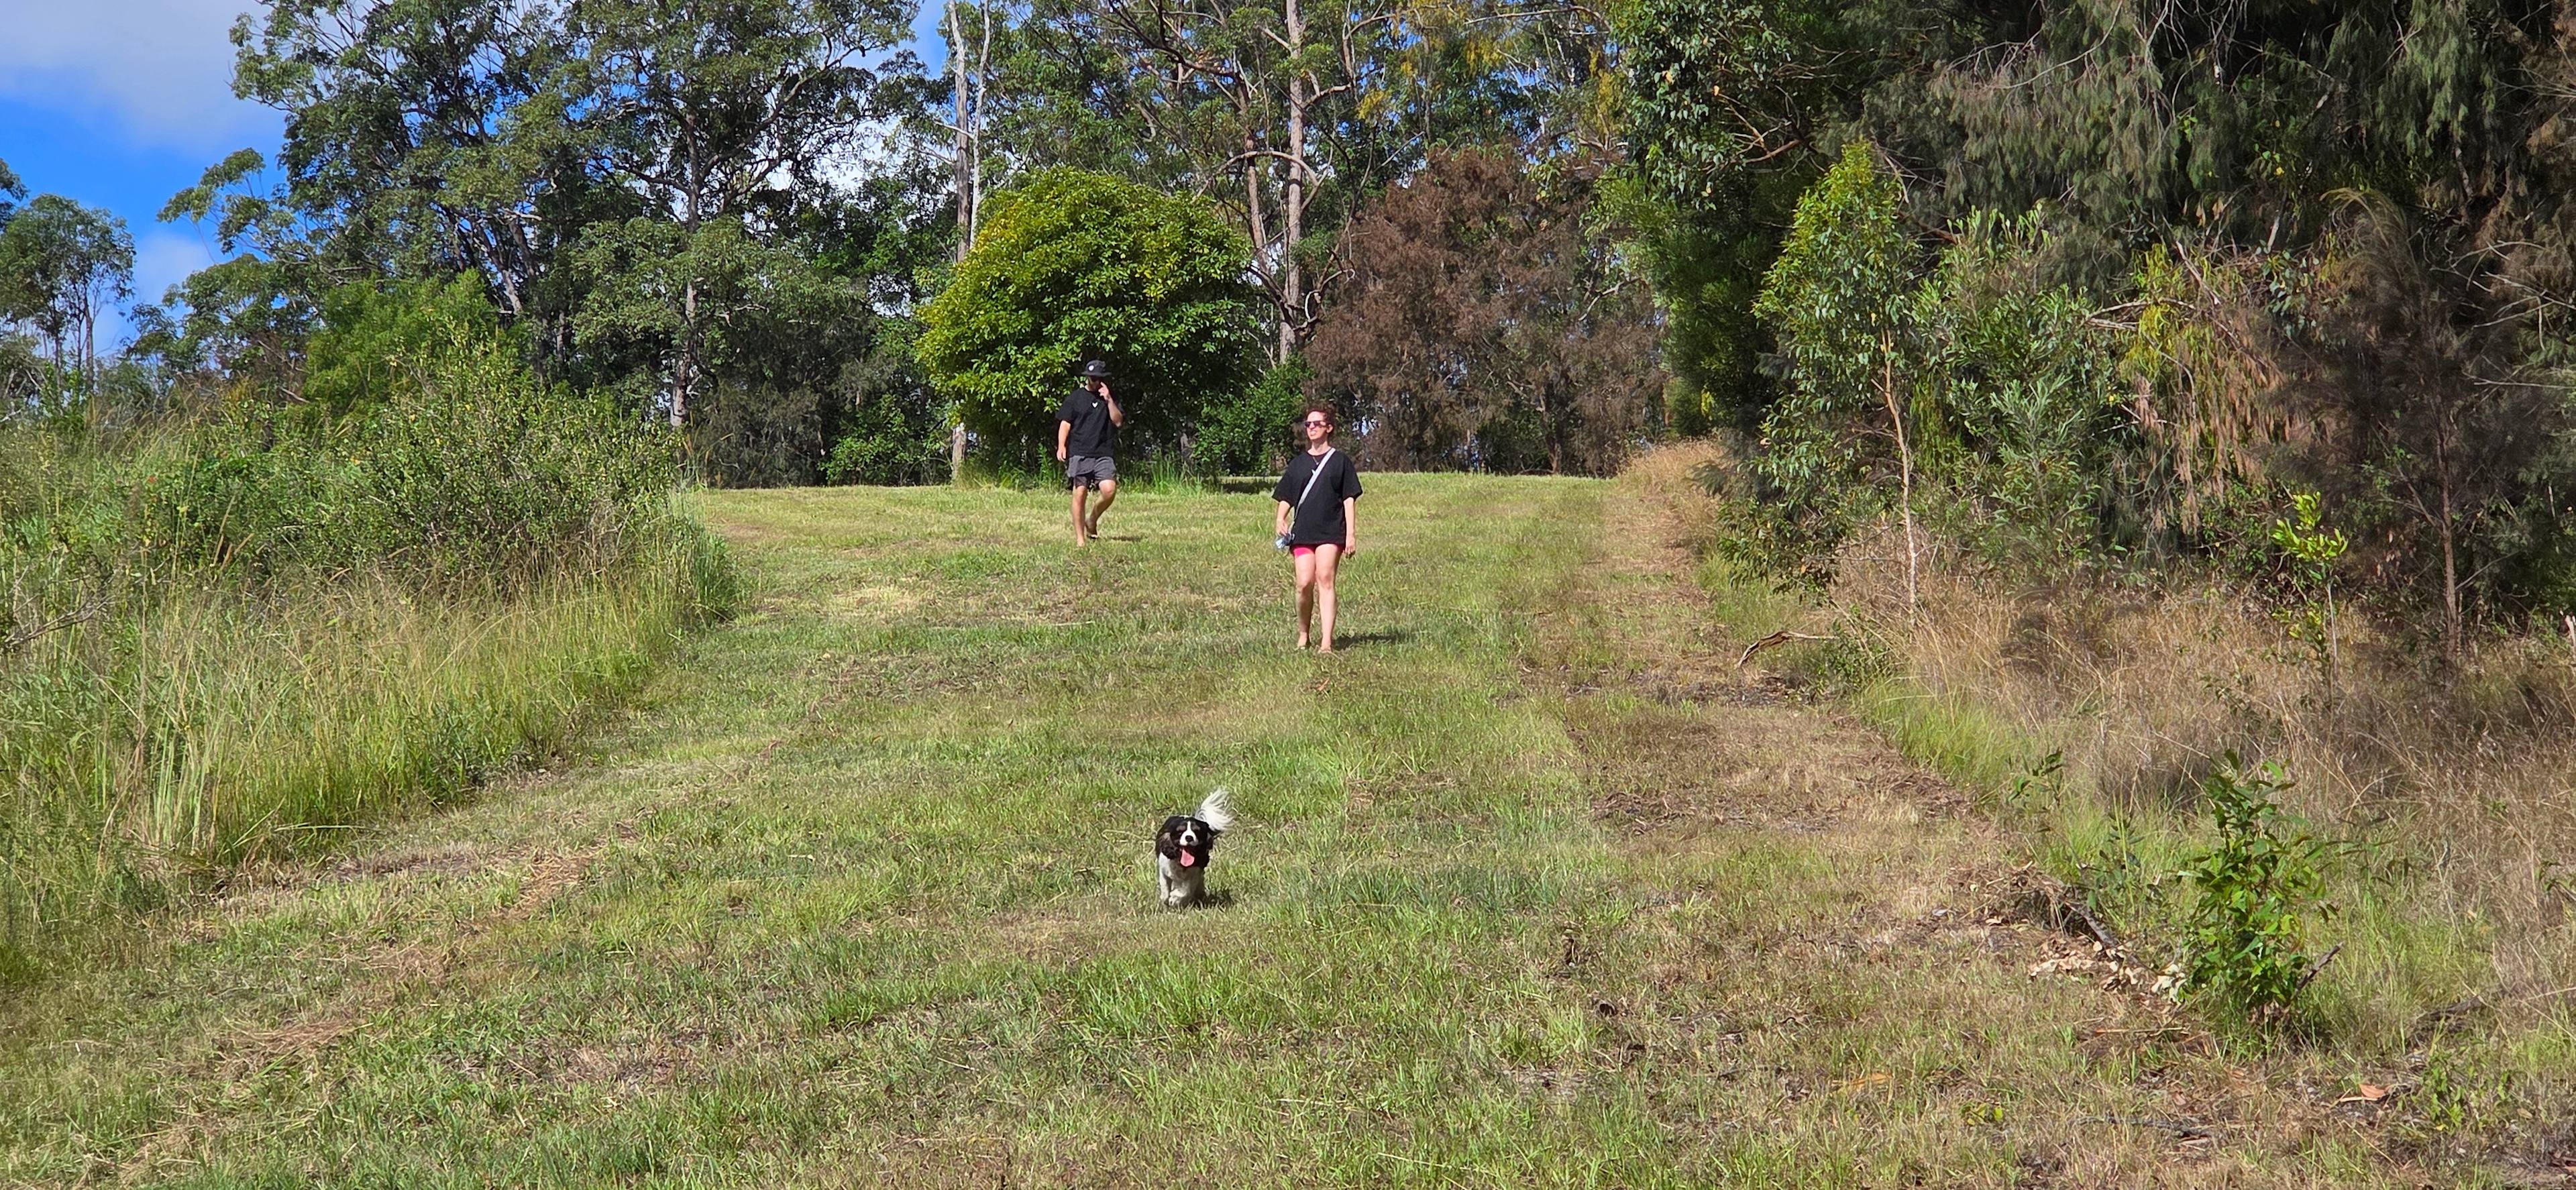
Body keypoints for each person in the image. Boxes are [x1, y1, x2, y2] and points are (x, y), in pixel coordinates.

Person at [1272, 404, 1362, 651]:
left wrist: (1351, 534)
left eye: (1316, 424)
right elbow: (1286, 496)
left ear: (1329, 428)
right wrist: (1280, 518)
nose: (1310, 428)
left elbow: (1349, 498)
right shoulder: (1299, 464)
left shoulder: (1340, 462)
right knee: (1303, 583)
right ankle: (1304, 634)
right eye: (1308, 424)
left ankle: (1326, 642)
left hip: (1331, 532)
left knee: (1325, 578)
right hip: (1302, 534)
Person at [1057, 360, 1125, 545]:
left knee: (1109, 490)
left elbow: (1118, 421)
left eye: (1098, 379)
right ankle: (1080, 540)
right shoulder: (1075, 398)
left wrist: (1109, 400)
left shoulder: (1111, 397)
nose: (1094, 382)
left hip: (1103, 452)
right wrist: (1062, 445)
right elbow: (1065, 423)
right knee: (1080, 493)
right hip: (1080, 451)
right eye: (1091, 378)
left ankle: (1092, 519)